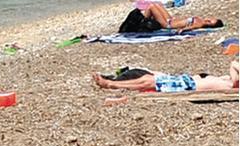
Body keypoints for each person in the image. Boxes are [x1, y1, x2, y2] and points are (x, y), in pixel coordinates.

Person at [93, 55, 239, 94]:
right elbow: (233, 66)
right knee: (148, 77)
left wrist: (235, 65)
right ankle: (113, 80)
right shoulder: (227, 80)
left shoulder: (232, 85)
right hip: (185, 80)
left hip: (188, 85)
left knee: (148, 82)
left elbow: (234, 65)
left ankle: (111, 84)